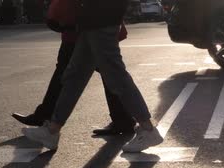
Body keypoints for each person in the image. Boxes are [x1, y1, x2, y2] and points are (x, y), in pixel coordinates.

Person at [23, 0, 162, 152]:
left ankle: (148, 129)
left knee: (115, 76)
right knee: (75, 76)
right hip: (94, 19)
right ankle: (52, 130)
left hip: (101, 18)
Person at [13, 25, 135, 136]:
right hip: (88, 28)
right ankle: (127, 120)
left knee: (66, 74)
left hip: (83, 28)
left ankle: (47, 121)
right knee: (111, 74)